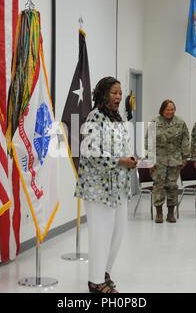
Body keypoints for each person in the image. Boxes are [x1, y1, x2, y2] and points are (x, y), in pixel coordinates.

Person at [75, 76, 137, 293]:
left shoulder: (117, 118)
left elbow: (122, 146)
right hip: (98, 188)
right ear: (103, 94)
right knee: (100, 235)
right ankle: (95, 281)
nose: (119, 96)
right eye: (114, 93)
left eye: (120, 93)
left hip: (118, 187)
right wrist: (120, 161)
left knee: (117, 234)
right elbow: (90, 152)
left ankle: (104, 272)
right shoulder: (95, 117)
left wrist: (130, 159)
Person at [145, 99, 190, 223]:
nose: (170, 112)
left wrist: (185, 157)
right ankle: (159, 213)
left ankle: (171, 213)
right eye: (168, 109)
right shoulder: (154, 122)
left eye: (172, 109)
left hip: (174, 160)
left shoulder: (180, 123)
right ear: (162, 110)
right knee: (158, 186)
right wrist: (150, 161)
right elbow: (148, 142)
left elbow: (185, 141)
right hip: (158, 160)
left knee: (172, 186)